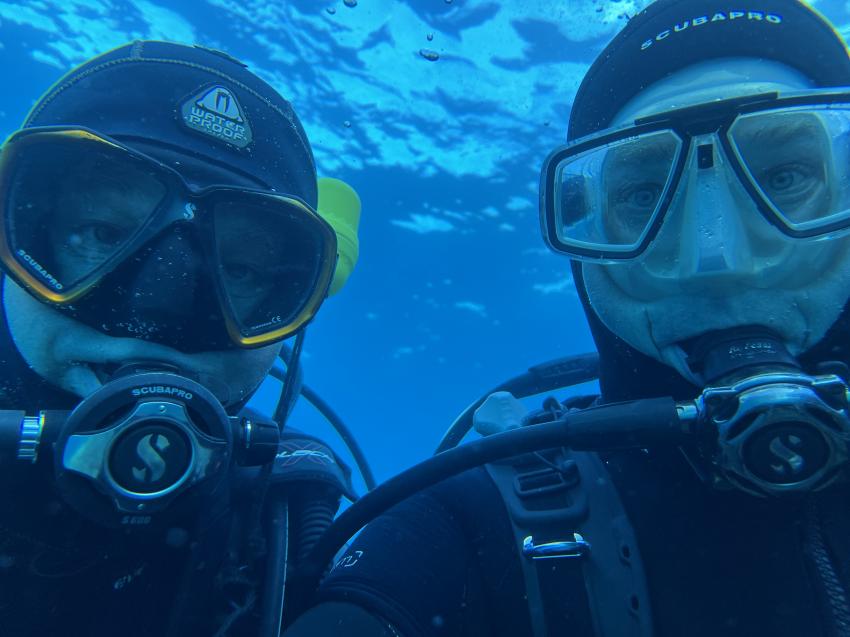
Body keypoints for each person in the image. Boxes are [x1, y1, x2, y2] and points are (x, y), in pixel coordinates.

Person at [283, 0, 850, 635]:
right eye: (642, 194)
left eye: (785, 176)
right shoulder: (467, 528)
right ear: (585, 253)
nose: (717, 256)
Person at [0, 41, 364, 636]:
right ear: (18, 236)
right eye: (101, 231)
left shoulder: (294, 526)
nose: (161, 311)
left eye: (240, 271)